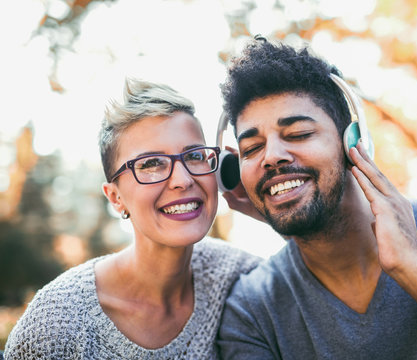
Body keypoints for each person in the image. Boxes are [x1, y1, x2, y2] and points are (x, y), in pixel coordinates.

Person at [217, 36, 417, 359]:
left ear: (352, 142)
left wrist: (416, 270)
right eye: (251, 149)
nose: (271, 156)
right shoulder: (252, 309)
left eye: (298, 134)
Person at [4, 78, 261, 359]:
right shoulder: (56, 324)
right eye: (151, 164)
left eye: (195, 155)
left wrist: (267, 211)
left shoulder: (237, 275)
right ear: (115, 198)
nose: (183, 180)